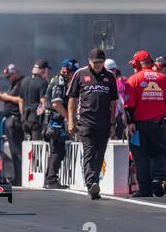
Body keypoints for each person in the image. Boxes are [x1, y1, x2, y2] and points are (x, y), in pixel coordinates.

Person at [67, 48, 118, 200]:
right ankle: (91, 184)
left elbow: (113, 101)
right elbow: (72, 98)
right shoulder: (80, 74)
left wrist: (113, 123)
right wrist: (71, 120)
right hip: (85, 121)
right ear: (89, 61)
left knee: (99, 154)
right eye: (95, 62)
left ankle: (94, 182)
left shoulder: (110, 76)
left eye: (101, 62)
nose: (98, 65)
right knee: (89, 151)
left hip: (104, 123)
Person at [124, 50, 166, 197]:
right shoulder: (163, 78)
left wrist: (130, 122)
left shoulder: (133, 79)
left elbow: (128, 105)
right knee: (160, 152)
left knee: (140, 157)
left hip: (138, 126)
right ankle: (158, 178)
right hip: (159, 125)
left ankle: (145, 189)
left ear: (137, 64)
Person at [43, 59, 80, 189]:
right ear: (67, 71)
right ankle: (51, 180)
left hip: (53, 120)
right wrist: (70, 119)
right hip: (54, 121)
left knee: (55, 149)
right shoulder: (60, 81)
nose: (74, 76)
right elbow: (56, 104)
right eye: (73, 73)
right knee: (56, 150)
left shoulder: (60, 80)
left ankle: (49, 178)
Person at [0, 63, 25, 185]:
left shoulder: (21, 83)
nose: (7, 79)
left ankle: (19, 178)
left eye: (9, 76)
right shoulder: (13, 85)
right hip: (9, 120)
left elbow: (20, 100)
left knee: (17, 151)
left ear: (15, 73)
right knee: (13, 151)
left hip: (15, 120)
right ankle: (17, 176)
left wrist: (6, 97)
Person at [19, 60, 51, 140]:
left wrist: (22, 114)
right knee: (36, 145)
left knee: (27, 144)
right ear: (43, 70)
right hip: (35, 118)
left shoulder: (24, 81)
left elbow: (20, 100)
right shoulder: (43, 83)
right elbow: (43, 101)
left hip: (24, 118)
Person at [104, 59, 127, 139]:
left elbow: (123, 99)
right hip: (107, 114)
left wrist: (125, 113)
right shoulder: (104, 81)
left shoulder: (121, 81)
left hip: (117, 115)